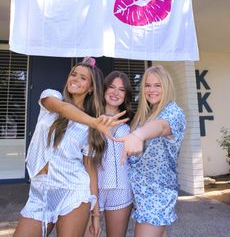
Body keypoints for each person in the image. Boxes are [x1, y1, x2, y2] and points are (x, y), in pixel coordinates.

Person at [13, 57, 127, 237]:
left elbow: (90, 169)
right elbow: (63, 109)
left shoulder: (91, 126)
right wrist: (94, 122)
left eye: (83, 78)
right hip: (39, 190)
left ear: (91, 88)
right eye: (74, 74)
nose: (75, 79)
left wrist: (96, 214)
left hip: (73, 191)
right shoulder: (51, 97)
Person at [117, 65, 186, 237]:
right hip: (141, 192)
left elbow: (161, 127)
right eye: (147, 85)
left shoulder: (173, 112)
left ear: (167, 87)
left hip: (157, 193)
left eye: (158, 85)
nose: (151, 89)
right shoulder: (148, 113)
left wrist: (138, 135)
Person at [85, 71, 134, 237]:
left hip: (121, 187)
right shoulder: (89, 117)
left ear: (126, 94)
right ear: (104, 89)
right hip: (91, 187)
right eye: (111, 87)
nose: (115, 93)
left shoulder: (132, 120)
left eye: (121, 89)